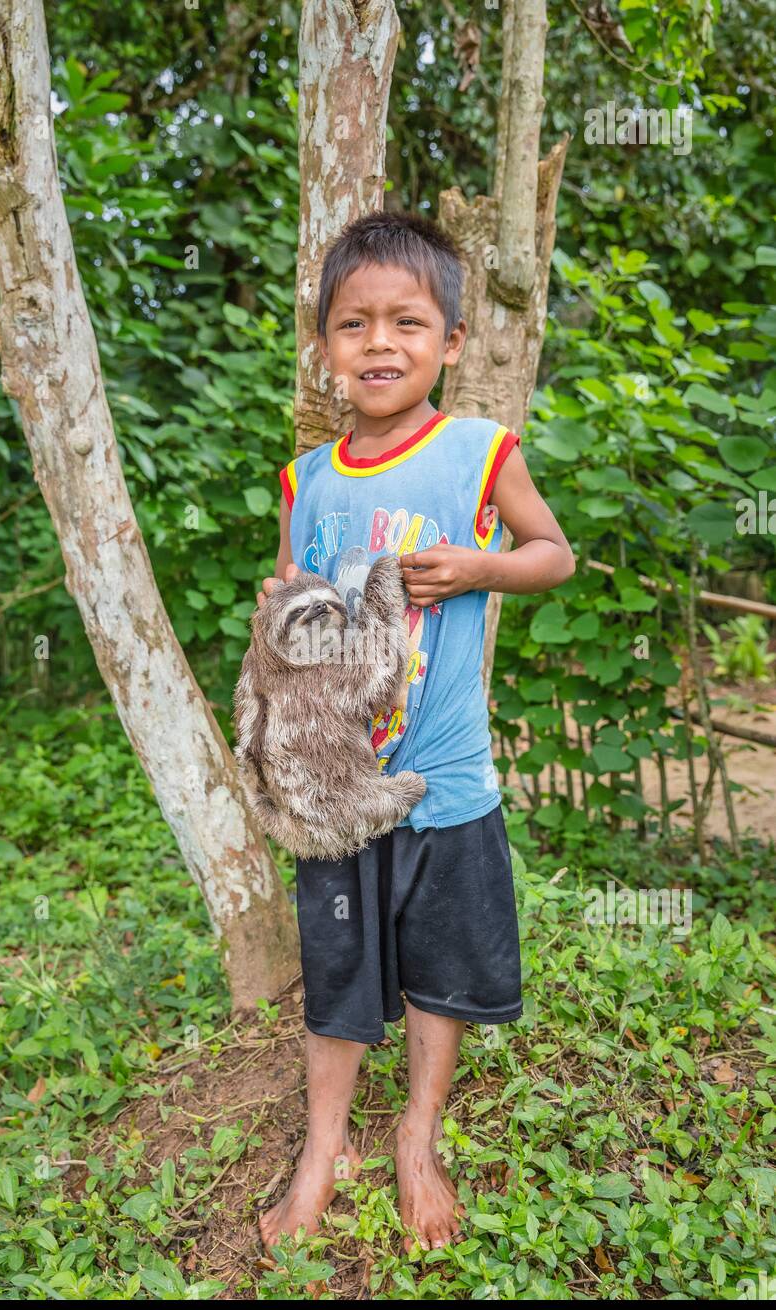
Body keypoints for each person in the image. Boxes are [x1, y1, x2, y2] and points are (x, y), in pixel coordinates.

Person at [254, 211, 575, 1256]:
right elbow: (296, 602)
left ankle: (417, 1133)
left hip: (442, 781)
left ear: (450, 339)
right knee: (336, 970)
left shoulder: (478, 453)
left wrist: (481, 566)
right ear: (326, 347)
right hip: (339, 793)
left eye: (406, 321)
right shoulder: (309, 478)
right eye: (353, 324)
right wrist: (284, 604)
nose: (379, 343)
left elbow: (551, 554)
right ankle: (321, 1148)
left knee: (441, 968)